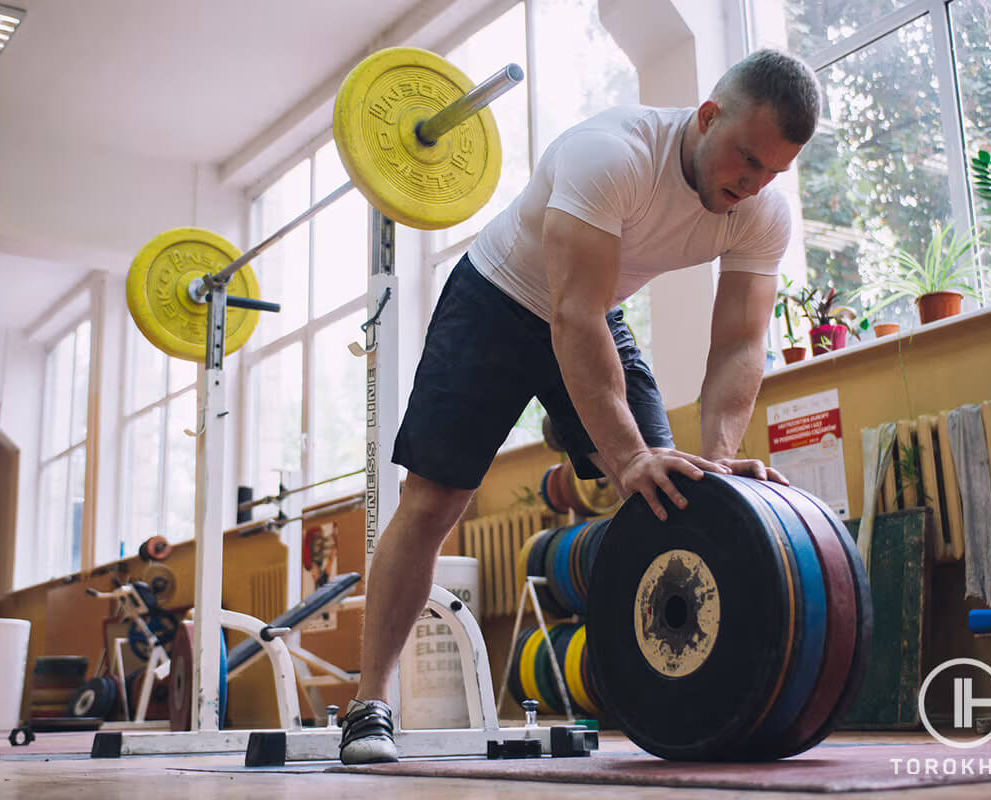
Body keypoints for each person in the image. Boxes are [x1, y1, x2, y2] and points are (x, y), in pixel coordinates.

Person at [339, 48, 822, 764]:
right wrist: (623, 454)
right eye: (745, 161)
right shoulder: (612, 154)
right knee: (436, 500)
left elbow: (740, 345)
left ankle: (684, 695)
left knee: (676, 494)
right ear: (708, 117)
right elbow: (572, 318)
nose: (751, 185)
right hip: (499, 301)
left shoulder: (762, 213)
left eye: (771, 173)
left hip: (595, 314)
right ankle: (369, 706)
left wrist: (717, 461)